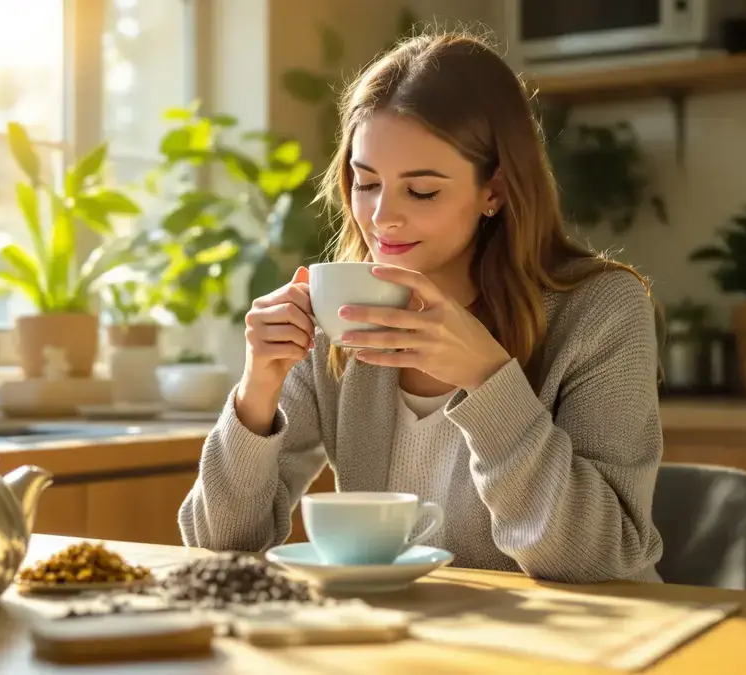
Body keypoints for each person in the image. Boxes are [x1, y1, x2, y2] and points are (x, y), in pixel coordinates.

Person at [178, 30, 665, 584]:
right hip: (403, 629)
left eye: (422, 191)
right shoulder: (337, 313)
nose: (382, 217)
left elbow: (595, 559)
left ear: (494, 191)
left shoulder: (601, 310)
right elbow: (219, 546)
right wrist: (256, 393)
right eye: (366, 183)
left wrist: (489, 380)